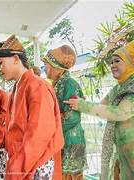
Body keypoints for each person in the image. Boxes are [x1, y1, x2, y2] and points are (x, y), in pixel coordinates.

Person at [0, 35, 64, 179]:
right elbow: (9, 131)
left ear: (16, 59)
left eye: (1, 63)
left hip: (35, 164)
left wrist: (14, 171)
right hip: (21, 161)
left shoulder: (37, 86)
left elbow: (37, 139)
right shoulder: (17, 88)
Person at [65, 41, 134, 179]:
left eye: (117, 61)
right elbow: (101, 106)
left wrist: (82, 105)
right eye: (111, 62)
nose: (112, 65)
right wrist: (82, 102)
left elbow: (120, 113)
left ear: (130, 63)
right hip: (120, 151)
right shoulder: (117, 88)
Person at [42, 45, 86, 179]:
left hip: (70, 141)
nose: (45, 68)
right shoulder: (56, 84)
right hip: (62, 139)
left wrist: (47, 124)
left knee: (69, 175)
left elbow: (72, 117)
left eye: (47, 65)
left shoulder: (70, 84)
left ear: (56, 67)